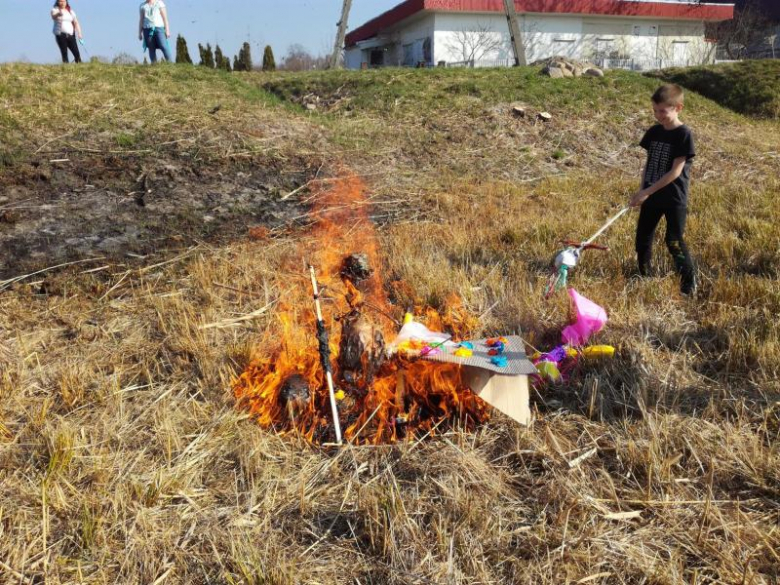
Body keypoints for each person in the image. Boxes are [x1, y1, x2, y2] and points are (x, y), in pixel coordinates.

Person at [630, 84, 697, 296]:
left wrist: (647, 192)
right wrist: (642, 190)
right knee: (643, 238)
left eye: (663, 111)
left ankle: (688, 283)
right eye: (655, 111)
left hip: (673, 198)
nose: (658, 115)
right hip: (650, 195)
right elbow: (649, 164)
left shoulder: (683, 134)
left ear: (678, 107)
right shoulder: (654, 132)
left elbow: (675, 172)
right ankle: (644, 275)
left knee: (674, 241)